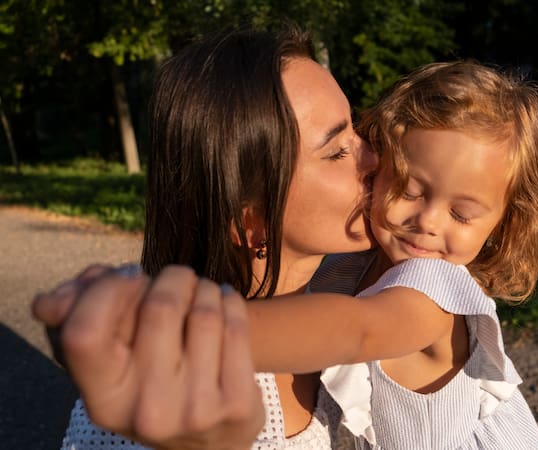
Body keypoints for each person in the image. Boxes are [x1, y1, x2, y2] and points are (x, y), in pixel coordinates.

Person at [33, 27, 378, 449]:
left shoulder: (370, 285)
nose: (375, 158)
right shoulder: (156, 407)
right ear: (251, 221)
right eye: (338, 151)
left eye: (356, 128)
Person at [234, 60, 538, 448]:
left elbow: (357, 330)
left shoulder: (436, 291)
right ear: (379, 164)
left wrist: (213, 332)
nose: (429, 221)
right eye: (409, 190)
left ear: (501, 225)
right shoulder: (349, 268)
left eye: (462, 214)